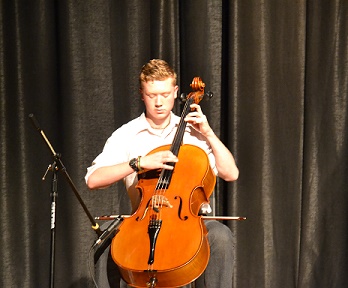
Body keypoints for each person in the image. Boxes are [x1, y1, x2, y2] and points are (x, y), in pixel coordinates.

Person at [85, 59, 239, 288]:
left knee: (221, 236)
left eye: (165, 95)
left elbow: (230, 173)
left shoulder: (193, 132)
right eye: (151, 95)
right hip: (144, 219)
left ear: (176, 92)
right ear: (141, 94)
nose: (159, 102)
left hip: (189, 220)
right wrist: (139, 162)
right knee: (104, 243)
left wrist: (209, 134)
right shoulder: (126, 134)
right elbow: (93, 180)